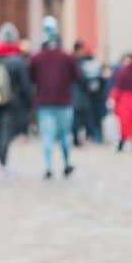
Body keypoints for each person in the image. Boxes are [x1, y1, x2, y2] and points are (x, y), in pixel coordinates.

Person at [28, 16, 78, 180]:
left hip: (45, 101)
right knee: (64, 135)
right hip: (64, 101)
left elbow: (31, 77)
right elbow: (76, 76)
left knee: (48, 136)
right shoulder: (67, 57)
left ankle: (48, 166)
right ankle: (66, 163)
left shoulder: (37, 57)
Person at [0, 23, 33, 172]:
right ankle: (3, 160)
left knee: (0, 125)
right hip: (12, 101)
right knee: (6, 128)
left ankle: (0, 157)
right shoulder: (17, 61)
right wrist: (29, 102)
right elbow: (25, 84)